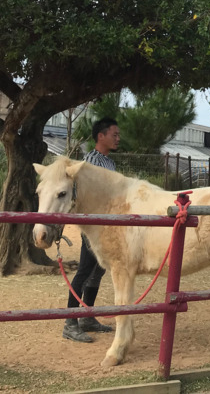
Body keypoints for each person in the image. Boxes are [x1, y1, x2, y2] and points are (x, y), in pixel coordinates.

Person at [62, 116, 120, 343]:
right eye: (114, 135)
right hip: (93, 225)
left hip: (106, 225)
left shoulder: (108, 162)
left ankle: (87, 316)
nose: (118, 139)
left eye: (118, 135)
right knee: (85, 270)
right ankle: (70, 321)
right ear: (101, 136)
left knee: (98, 271)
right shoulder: (89, 163)